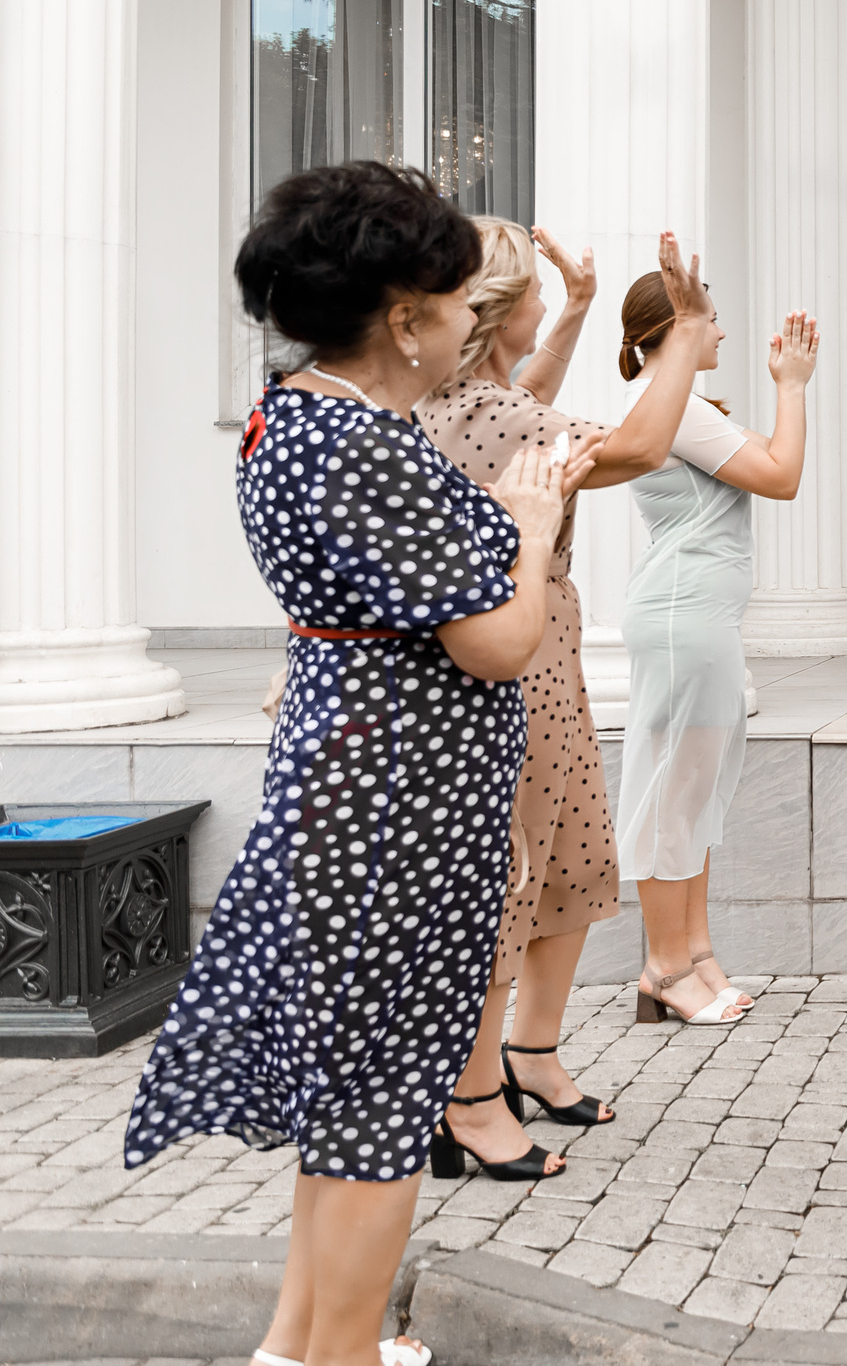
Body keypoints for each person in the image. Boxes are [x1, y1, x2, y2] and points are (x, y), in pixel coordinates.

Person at [125, 160, 585, 1366]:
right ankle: (338, 1353)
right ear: (405, 316)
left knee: (346, 1101)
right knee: (379, 1112)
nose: (470, 315)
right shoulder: (365, 443)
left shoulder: (296, 413)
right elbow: (497, 644)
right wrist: (532, 525)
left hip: (349, 780)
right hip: (399, 811)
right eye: (456, 295)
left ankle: (301, 1344)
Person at [417, 219, 716, 1173]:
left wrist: (581, 308)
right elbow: (642, 445)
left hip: (544, 649)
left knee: (574, 861)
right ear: (499, 310)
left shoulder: (477, 401)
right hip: (515, 658)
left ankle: (533, 1055)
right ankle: (468, 1100)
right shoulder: (490, 414)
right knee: (512, 880)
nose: (547, 303)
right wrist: (684, 330)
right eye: (538, 296)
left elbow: (528, 393)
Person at [615, 271, 819, 1025]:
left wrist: (784, 394)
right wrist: (791, 386)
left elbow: (768, 455)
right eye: (711, 319)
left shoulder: (686, 409)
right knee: (673, 797)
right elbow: (782, 475)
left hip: (699, 619)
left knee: (694, 795)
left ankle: (696, 956)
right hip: (684, 620)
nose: (724, 331)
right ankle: (664, 968)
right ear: (677, 329)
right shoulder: (675, 410)